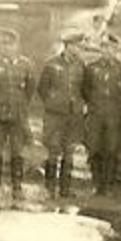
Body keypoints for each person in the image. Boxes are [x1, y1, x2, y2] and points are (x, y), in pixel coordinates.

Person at [0, 27, 36, 203]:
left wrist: (19, 104)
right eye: (4, 44)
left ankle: (17, 189)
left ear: (17, 45)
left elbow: (30, 89)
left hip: (18, 117)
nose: (7, 47)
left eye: (10, 44)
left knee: (17, 153)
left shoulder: (26, 65)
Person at [37, 30, 87, 199]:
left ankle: (65, 189)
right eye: (77, 45)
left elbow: (84, 89)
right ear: (68, 45)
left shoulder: (81, 64)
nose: (80, 49)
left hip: (73, 115)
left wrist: (80, 106)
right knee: (53, 149)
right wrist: (53, 103)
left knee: (69, 150)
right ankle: (50, 189)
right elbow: (42, 89)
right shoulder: (51, 64)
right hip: (55, 114)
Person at [83, 33, 121, 195]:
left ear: (116, 49)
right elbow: (85, 89)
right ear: (100, 49)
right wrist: (91, 106)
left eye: (111, 47)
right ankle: (96, 183)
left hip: (114, 114)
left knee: (111, 149)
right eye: (104, 47)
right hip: (96, 113)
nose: (107, 51)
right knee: (94, 148)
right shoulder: (91, 68)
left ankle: (108, 185)